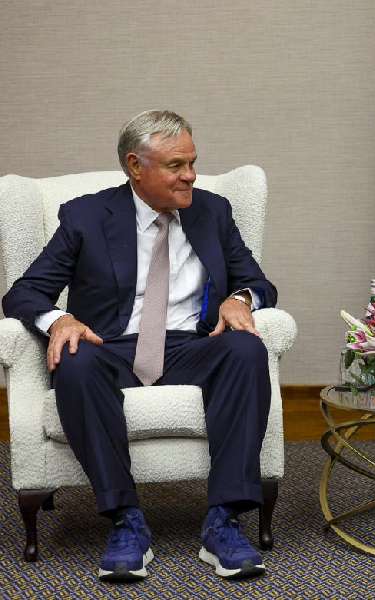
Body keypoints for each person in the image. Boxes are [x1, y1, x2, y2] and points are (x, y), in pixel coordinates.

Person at [2, 110, 277, 582]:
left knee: (247, 350)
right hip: (111, 345)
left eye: (192, 162)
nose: (190, 174)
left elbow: (258, 281)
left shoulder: (213, 212)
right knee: (74, 361)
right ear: (135, 165)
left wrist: (240, 298)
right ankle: (126, 520)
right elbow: (22, 293)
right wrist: (60, 319)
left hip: (191, 345)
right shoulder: (86, 215)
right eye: (176, 165)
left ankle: (224, 521)